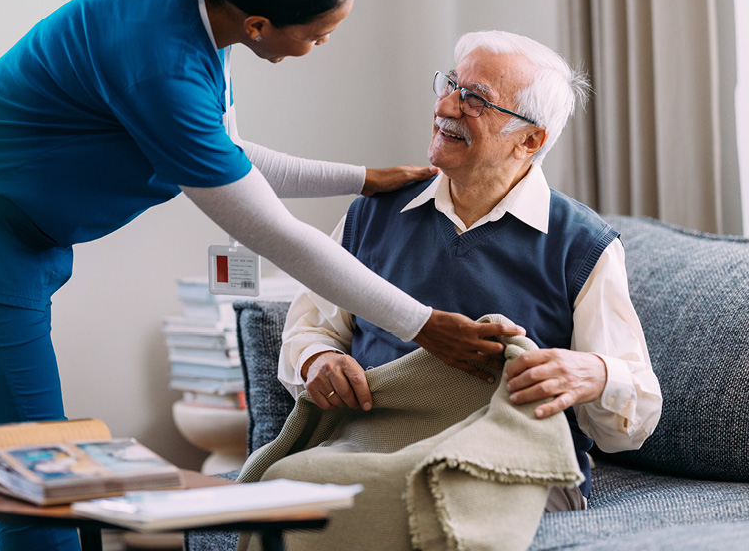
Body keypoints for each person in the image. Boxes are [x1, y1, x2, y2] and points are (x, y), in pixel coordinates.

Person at [0, 0, 516, 551]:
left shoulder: (192, 1)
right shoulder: (162, 67)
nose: (323, 45)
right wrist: (424, 325)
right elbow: (276, 234)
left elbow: (230, 154)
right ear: (259, 25)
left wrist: (362, 178)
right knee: (34, 484)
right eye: (318, 34)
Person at [279, 30, 663, 511]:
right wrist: (318, 360)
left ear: (530, 140)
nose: (446, 107)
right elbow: (309, 329)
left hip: (511, 466)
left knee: (409, 503)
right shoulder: (372, 214)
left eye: (475, 99)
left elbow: (635, 419)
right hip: (375, 450)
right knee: (282, 484)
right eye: (451, 85)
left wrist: (597, 375)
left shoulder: (583, 244)